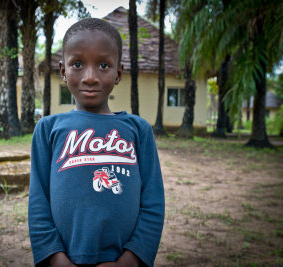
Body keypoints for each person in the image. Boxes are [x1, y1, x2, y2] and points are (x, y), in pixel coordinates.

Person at [28, 18, 165, 267]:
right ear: (63, 70)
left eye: (103, 65)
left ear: (118, 73)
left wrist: (131, 260)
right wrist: (54, 257)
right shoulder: (47, 129)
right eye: (77, 64)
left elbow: (153, 202)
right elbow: (39, 201)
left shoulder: (138, 130)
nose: (90, 77)